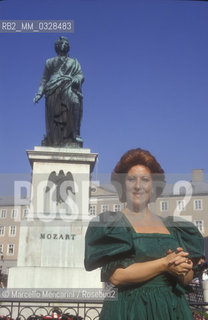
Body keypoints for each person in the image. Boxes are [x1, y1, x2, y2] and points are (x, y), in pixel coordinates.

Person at [84, 148, 204, 320]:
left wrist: (182, 268)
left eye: (145, 180)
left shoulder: (175, 227)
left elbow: (187, 278)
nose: (138, 186)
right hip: (129, 310)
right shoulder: (112, 224)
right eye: (131, 179)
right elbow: (117, 276)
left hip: (172, 310)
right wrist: (164, 264)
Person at [33, 36, 84, 146]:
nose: (64, 45)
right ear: (57, 46)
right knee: (53, 117)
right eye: (62, 43)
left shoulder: (74, 62)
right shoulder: (50, 62)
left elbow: (80, 75)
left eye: (66, 43)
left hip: (68, 85)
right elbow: (44, 79)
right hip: (53, 89)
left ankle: (74, 134)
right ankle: (54, 139)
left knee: (75, 102)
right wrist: (39, 94)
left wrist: (77, 79)